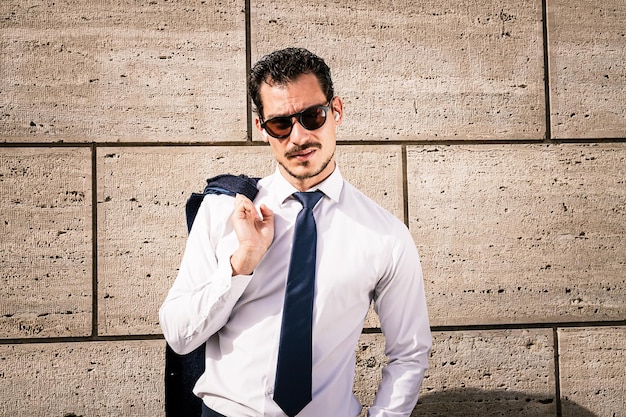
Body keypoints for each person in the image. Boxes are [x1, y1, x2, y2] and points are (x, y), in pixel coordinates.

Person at [159, 47, 431, 417]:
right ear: (261, 128)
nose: (299, 137)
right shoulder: (223, 211)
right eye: (280, 124)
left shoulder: (385, 235)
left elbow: (409, 352)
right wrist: (240, 264)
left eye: (312, 116)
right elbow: (179, 333)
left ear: (336, 111)